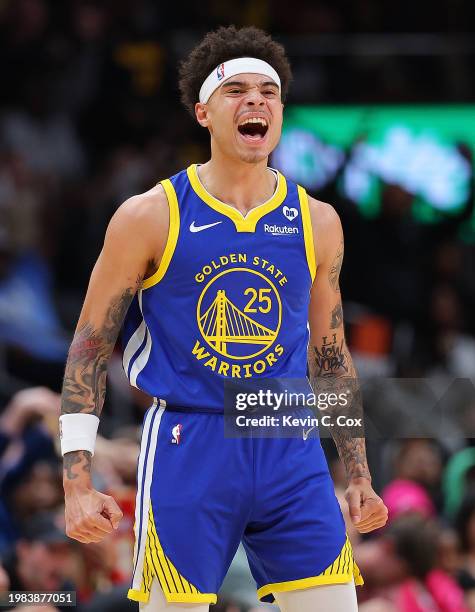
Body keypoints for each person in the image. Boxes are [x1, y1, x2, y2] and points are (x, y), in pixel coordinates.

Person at [60, 25, 387, 612]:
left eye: (268, 90)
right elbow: (88, 348)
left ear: (281, 110)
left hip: (289, 442)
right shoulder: (149, 215)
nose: (255, 100)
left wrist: (357, 471)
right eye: (236, 90)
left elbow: (330, 358)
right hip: (193, 440)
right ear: (203, 112)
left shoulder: (319, 221)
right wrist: (77, 481)